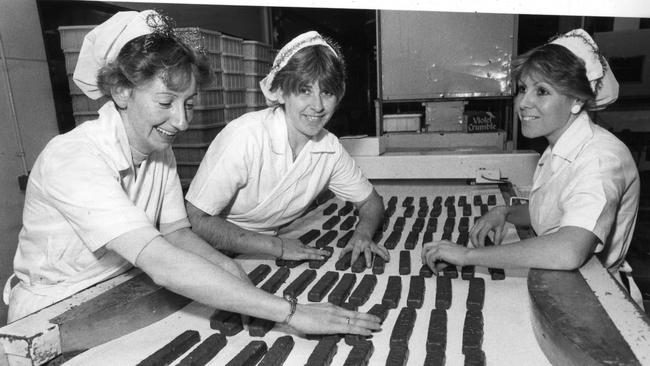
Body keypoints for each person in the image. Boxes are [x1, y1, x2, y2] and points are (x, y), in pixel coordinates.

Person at [3, 10, 381, 336]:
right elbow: (162, 262)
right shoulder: (73, 157)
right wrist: (292, 313)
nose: (181, 121)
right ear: (120, 90)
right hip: (51, 313)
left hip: (123, 291)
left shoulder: (158, 151)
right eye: (166, 102)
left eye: (189, 104)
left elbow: (177, 234)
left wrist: (230, 269)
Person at [422, 29, 641, 296]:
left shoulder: (599, 159)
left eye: (542, 91)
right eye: (523, 89)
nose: (523, 103)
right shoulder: (558, 145)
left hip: (597, 297)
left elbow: (568, 249)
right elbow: (556, 210)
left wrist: (468, 255)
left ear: (577, 100)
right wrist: (505, 213)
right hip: (561, 282)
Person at [185, 31, 389, 268]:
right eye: (305, 90)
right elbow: (196, 220)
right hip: (210, 251)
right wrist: (277, 247)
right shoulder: (246, 136)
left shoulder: (329, 148)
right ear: (281, 91)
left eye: (327, 92)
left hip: (257, 255)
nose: (318, 106)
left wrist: (362, 235)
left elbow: (371, 201)